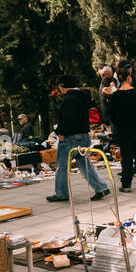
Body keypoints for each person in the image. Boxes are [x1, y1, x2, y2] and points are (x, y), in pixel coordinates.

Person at [47, 75, 110, 203]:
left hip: (70, 137)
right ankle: (101, 188)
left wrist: (59, 131)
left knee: (63, 166)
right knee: (85, 164)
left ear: (63, 86)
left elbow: (67, 119)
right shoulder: (82, 97)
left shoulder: (68, 99)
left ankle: (61, 193)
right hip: (84, 135)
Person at [107, 65, 136, 191]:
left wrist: (118, 126)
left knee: (126, 157)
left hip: (123, 129)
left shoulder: (115, 96)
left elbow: (112, 116)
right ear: (129, 77)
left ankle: (126, 183)